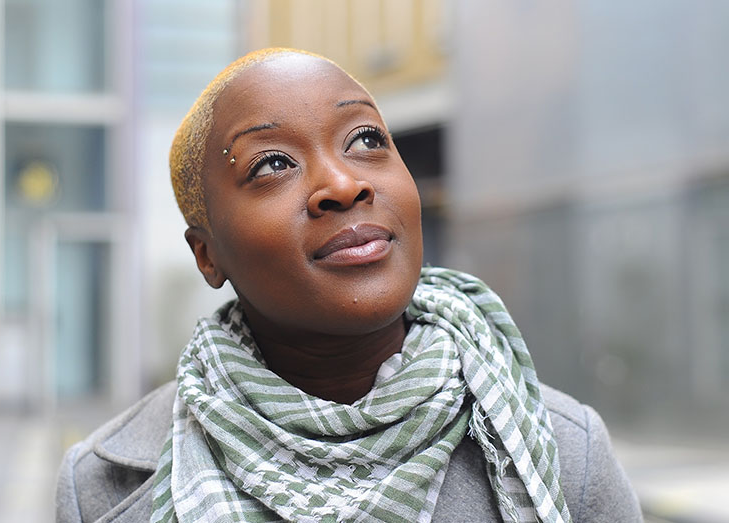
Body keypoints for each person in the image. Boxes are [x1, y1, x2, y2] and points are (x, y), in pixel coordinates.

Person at [56, 48, 642, 523]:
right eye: (272, 164)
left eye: (365, 139)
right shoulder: (101, 489)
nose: (342, 182)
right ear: (208, 255)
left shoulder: (566, 454)